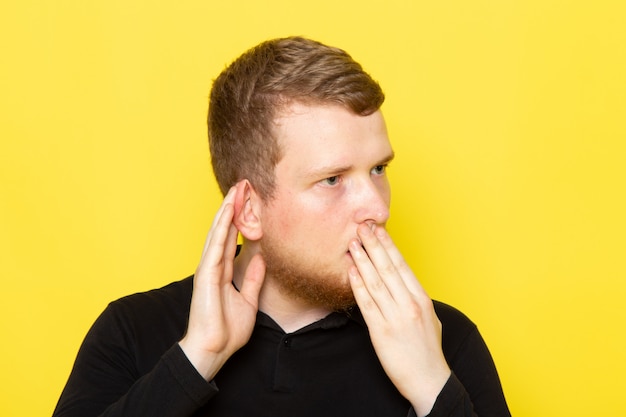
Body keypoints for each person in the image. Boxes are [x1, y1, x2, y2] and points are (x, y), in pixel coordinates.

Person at [53, 36, 510, 417]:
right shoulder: (132, 332)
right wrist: (195, 360)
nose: (377, 207)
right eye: (332, 179)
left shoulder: (444, 340)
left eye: (378, 169)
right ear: (249, 210)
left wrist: (433, 386)